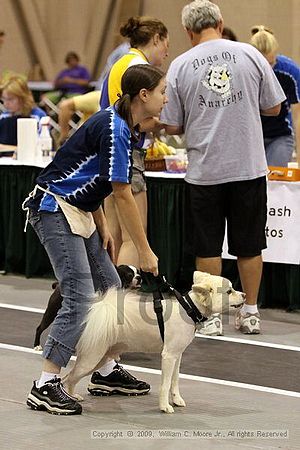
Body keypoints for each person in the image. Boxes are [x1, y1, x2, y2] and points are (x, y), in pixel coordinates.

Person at [24, 64, 166, 415]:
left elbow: (92, 174)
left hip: (80, 210)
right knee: (80, 296)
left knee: (111, 288)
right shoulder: (115, 128)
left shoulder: (125, 128)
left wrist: (99, 219)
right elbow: (121, 192)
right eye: (162, 91)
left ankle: (103, 371)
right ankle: (45, 383)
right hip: (54, 207)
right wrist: (145, 251)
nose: (166, 98)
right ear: (143, 95)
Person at [160, 0, 285, 335]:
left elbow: (171, 125)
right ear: (220, 21)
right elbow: (274, 106)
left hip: (205, 171)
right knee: (250, 244)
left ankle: (212, 317)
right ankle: (251, 312)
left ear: (188, 31)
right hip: (248, 167)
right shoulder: (250, 54)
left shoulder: (181, 66)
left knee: (207, 246)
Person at [100, 16, 169, 267]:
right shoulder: (139, 68)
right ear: (156, 38)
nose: (166, 52)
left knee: (115, 237)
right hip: (127, 152)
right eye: (165, 45)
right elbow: (134, 121)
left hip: (108, 153)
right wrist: (165, 123)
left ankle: (115, 299)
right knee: (133, 239)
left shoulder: (119, 63)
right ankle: (127, 300)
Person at [250, 25, 300, 167]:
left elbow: (298, 117)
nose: (268, 70)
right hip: (253, 136)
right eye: (263, 65)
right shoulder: (245, 70)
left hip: (280, 135)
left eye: (271, 63)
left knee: (274, 180)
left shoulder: (290, 72)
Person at [0, 75, 46, 156]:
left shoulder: (38, 116)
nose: (6, 103)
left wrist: (11, 149)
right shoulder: (3, 117)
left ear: (22, 97)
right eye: (3, 99)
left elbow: (41, 146)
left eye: (10, 99)